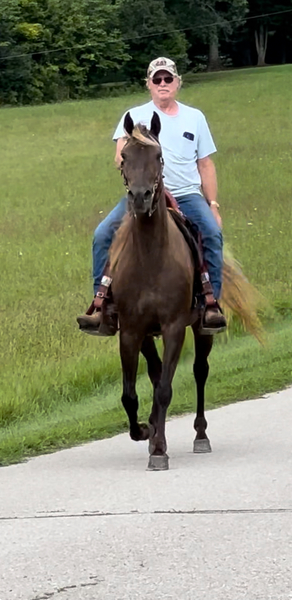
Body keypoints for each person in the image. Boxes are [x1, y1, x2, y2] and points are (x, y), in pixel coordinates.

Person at [77, 56, 226, 335]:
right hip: (143, 194)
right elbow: (119, 155)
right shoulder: (133, 117)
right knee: (102, 235)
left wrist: (213, 205)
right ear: (148, 84)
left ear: (177, 82)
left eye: (167, 78)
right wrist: (134, 159)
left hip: (187, 194)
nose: (162, 84)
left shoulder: (195, 117)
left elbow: (205, 164)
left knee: (211, 233)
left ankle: (211, 305)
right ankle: (103, 307)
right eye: (156, 79)